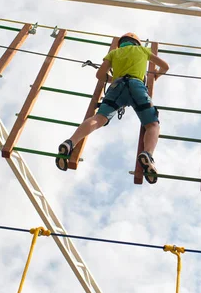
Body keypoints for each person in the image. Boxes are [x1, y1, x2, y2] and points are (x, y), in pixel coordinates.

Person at [55, 32, 170, 184]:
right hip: (137, 85)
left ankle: (70, 142)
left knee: (99, 118)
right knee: (152, 124)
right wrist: (155, 75)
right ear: (136, 43)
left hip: (117, 85)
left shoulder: (114, 53)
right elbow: (165, 66)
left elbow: (100, 75)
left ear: (121, 43)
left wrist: (111, 80)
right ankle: (148, 154)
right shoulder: (143, 51)